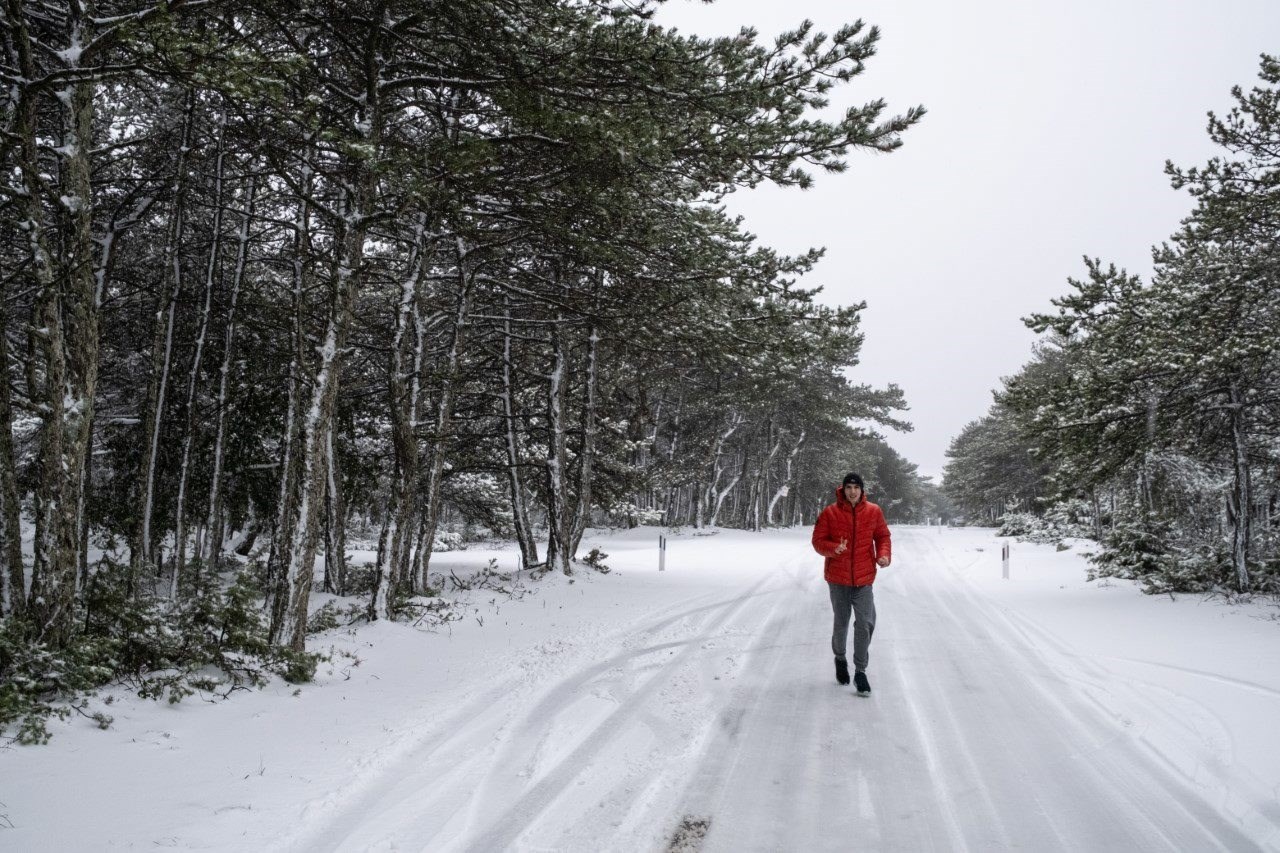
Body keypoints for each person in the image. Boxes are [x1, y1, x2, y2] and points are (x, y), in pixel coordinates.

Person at [811, 472, 891, 695]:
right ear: (843, 490)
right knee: (841, 623)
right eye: (848, 487)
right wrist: (833, 549)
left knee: (865, 623)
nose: (852, 491)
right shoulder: (831, 512)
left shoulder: (874, 511)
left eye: (856, 487)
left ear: (862, 490)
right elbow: (818, 541)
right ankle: (840, 658)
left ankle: (861, 672)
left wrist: (883, 555)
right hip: (838, 580)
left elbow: (883, 536)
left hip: (864, 579)